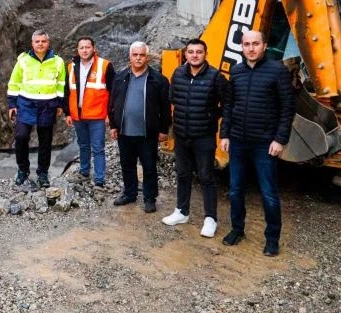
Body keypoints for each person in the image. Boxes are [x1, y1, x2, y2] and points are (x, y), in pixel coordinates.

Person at [220, 30, 295, 256]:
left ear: (264, 45)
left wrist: (280, 139)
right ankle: (237, 229)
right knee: (235, 191)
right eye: (246, 44)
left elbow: (287, 108)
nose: (251, 48)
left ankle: (272, 238)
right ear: (241, 47)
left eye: (255, 44)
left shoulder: (278, 71)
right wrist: (225, 134)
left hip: (265, 144)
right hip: (238, 142)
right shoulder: (237, 71)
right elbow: (229, 107)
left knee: (269, 194)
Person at [162, 38, 227, 238]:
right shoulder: (178, 74)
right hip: (182, 135)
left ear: (205, 54)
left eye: (199, 52)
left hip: (204, 136)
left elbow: (228, 104)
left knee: (206, 177)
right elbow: (173, 99)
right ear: (186, 54)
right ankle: (182, 211)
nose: (195, 55)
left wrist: (211, 117)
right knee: (182, 174)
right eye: (191, 52)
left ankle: (210, 218)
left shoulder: (215, 77)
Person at [108, 41, 171, 213]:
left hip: (147, 133)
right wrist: (113, 125)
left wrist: (164, 130)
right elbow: (112, 103)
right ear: (130, 56)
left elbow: (166, 107)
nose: (138, 58)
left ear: (147, 57)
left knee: (149, 166)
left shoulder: (158, 79)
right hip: (124, 131)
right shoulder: (120, 77)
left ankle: (150, 198)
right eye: (135, 54)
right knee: (127, 164)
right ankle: (130, 193)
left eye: (141, 55)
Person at [7, 30, 66, 188]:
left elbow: (61, 84)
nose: (40, 44)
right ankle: (23, 170)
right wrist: (12, 104)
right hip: (26, 104)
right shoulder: (23, 60)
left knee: (45, 142)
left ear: (48, 42)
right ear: (32, 43)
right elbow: (14, 82)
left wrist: (60, 104)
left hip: (48, 105)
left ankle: (43, 173)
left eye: (43, 41)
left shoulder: (58, 62)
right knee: (21, 137)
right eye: (37, 41)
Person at [63, 37, 115, 188]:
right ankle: (84, 172)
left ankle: (99, 180)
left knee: (98, 147)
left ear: (93, 48)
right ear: (77, 50)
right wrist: (67, 113)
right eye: (82, 48)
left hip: (97, 116)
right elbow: (67, 91)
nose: (85, 50)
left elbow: (113, 92)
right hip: (78, 116)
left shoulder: (105, 65)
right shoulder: (71, 67)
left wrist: (109, 115)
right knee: (83, 145)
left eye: (87, 47)